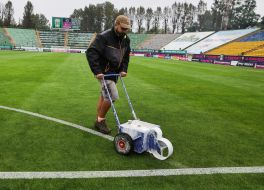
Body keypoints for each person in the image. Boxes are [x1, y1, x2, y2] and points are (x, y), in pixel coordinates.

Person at [86, 15, 131, 134]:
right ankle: (100, 121)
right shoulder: (104, 37)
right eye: (123, 28)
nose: (125, 31)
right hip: (104, 72)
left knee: (104, 96)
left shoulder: (126, 40)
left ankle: (97, 119)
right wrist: (97, 71)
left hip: (115, 73)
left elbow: (125, 56)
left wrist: (124, 69)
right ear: (116, 25)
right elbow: (91, 52)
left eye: (127, 29)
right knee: (112, 95)